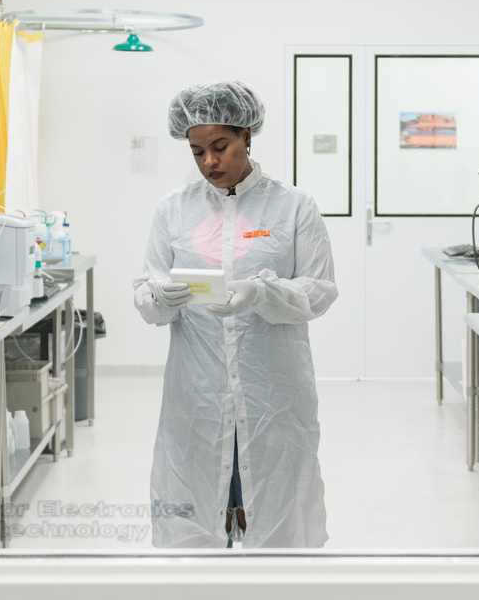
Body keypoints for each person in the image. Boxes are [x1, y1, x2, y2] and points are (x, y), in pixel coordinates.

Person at [133, 80, 337, 549]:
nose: (210, 162)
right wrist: (161, 295)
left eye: (220, 146)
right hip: (197, 392)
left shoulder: (294, 207)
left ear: (247, 135)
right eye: (198, 151)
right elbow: (146, 293)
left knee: (278, 507)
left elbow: (320, 290)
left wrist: (261, 294)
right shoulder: (173, 211)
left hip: (273, 390)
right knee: (196, 509)